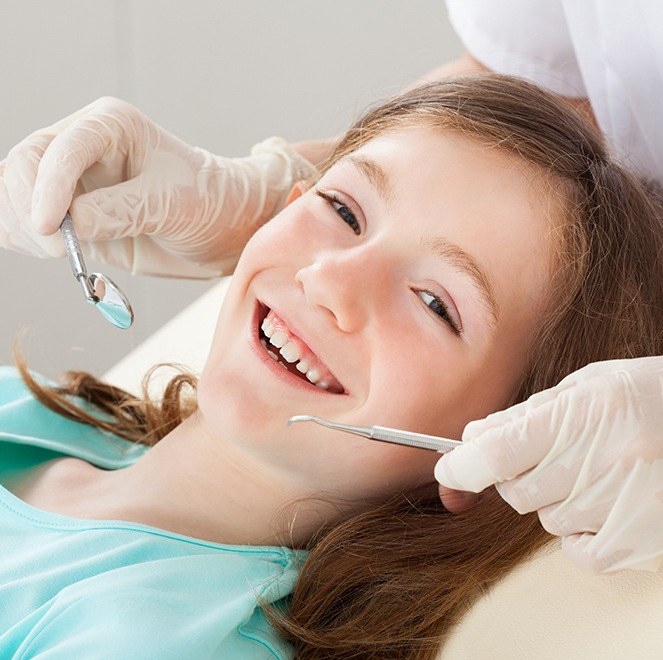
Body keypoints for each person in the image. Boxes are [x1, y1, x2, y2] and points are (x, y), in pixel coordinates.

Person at [1, 75, 661, 658]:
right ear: (288, 203)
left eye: (435, 304)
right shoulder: (34, 418)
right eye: (343, 210)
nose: (331, 281)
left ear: (510, 441)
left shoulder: (156, 641)